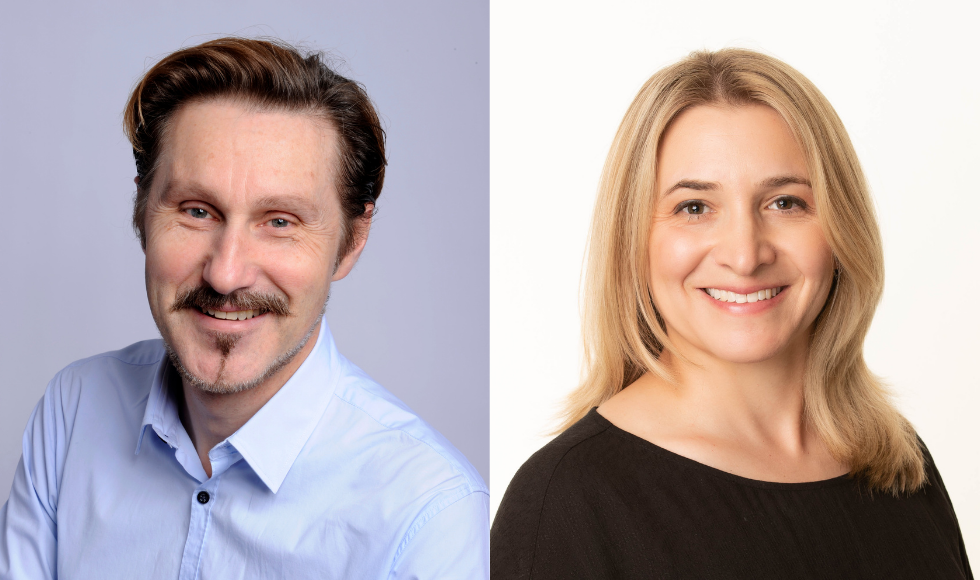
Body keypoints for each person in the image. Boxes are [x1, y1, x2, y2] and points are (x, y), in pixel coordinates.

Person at [0, 37, 488, 579]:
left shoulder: (428, 516)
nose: (225, 273)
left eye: (280, 221)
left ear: (351, 242)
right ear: (141, 210)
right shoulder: (74, 411)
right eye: (197, 210)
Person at [491, 48, 972, 579]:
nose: (745, 255)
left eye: (785, 202)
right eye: (694, 208)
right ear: (633, 239)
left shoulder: (899, 463)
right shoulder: (567, 504)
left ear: (841, 226)